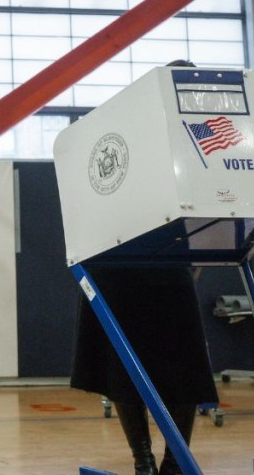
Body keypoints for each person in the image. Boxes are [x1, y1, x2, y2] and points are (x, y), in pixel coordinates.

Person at [69, 61, 218, 475]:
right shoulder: (126, 129)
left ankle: (175, 462)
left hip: (169, 257)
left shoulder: (201, 134)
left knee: (185, 365)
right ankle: (143, 460)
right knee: (123, 366)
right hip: (120, 257)